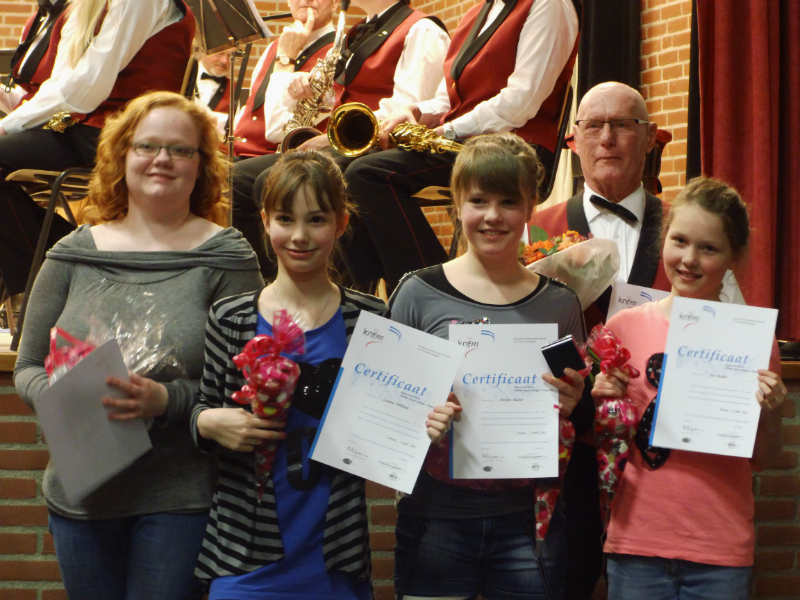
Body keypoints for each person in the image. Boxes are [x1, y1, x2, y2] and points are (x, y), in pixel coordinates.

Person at [13, 91, 263, 600]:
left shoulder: (226, 257)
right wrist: (70, 397)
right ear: (122, 155)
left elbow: (246, 382)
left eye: (180, 149)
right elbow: (28, 366)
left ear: (201, 165)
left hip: (179, 495)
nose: (162, 159)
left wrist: (166, 400)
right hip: (80, 497)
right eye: (147, 146)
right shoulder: (73, 253)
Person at [191, 150, 451, 598]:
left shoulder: (370, 319)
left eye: (316, 220)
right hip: (243, 558)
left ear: (341, 224)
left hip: (335, 558)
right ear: (265, 222)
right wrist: (207, 422)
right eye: (285, 219)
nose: (299, 236)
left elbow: (396, 428)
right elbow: (201, 408)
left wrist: (429, 423)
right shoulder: (231, 317)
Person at [532, 81, 743, 600]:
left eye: (622, 125)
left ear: (649, 138)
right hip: (567, 448)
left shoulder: (689, 231)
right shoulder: (536, 228)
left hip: (665, 455)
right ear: (574, 140)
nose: (606, 138)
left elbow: (732, 329)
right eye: (593, 126)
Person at [389, 133, 593, 600]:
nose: (493, 216)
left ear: (531, 207)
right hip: (436, 517)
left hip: (529, 522)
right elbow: (386, 415)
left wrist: (574, 402)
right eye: (479, 200)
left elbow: (580, 420)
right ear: (458, 203)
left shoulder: (559, 305)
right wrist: (422, 418)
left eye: (508, 202)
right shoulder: (418, 294)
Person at [592, 176, 786, 600]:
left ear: (735, 256)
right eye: (679, 241)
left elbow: (764, 459)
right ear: (664, 238)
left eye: (709, 248)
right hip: (636, 543)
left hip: (719, 549)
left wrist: (771, 414)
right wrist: (603, 405)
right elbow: (604, 446)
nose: (689, 260)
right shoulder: (623, 327)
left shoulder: (753, 341)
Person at [339, 0, 581, 292]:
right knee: (338, 169)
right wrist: (416, 111)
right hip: (464, 142)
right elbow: (448, 99)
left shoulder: (549, 5)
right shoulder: (474, 14)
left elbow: (521, 101)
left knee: (368, 174)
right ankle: (366, 294)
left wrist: (448, 130)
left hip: (515, 149)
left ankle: (434, 291)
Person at [238, 0, 450, 279]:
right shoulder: (358, 31)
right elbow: (338, 98)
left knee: (274, 179)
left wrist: (330, 138)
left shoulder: (422, 29)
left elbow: (406, 109)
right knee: (238, 180)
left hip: (381, 146)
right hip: (349, 145)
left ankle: (341, 282)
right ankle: (270, 283)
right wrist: (296, 89)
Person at [0, 0, 195, 301]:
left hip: (129, 135)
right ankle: (75, 268)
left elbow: (85, 89)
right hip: (87, 128)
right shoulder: (84, 5)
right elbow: (61, 83)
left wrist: (7, 126)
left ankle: (51, 283)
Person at [229, 0, 338, 277]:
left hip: (282, 155)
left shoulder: (339, 50)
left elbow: (277, 129)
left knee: (231, 180)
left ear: (336, 2)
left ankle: (265, 278)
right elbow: (249, 111)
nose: (305, 1)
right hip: (243, 153)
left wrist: (286, 58)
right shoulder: (272, 48)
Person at [0, 0, 69, 115]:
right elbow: (23, 100)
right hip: (35, 120)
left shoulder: (74, 21)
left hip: (59, 119)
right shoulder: (34, 22)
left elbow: (63, 98)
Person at [192, 49, 232, 136]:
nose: (224, 61)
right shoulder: (183, 77)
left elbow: (236, 124)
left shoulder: (234, 89)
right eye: (220, 53)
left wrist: (215, 119)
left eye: (230, 56)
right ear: (204, 51)